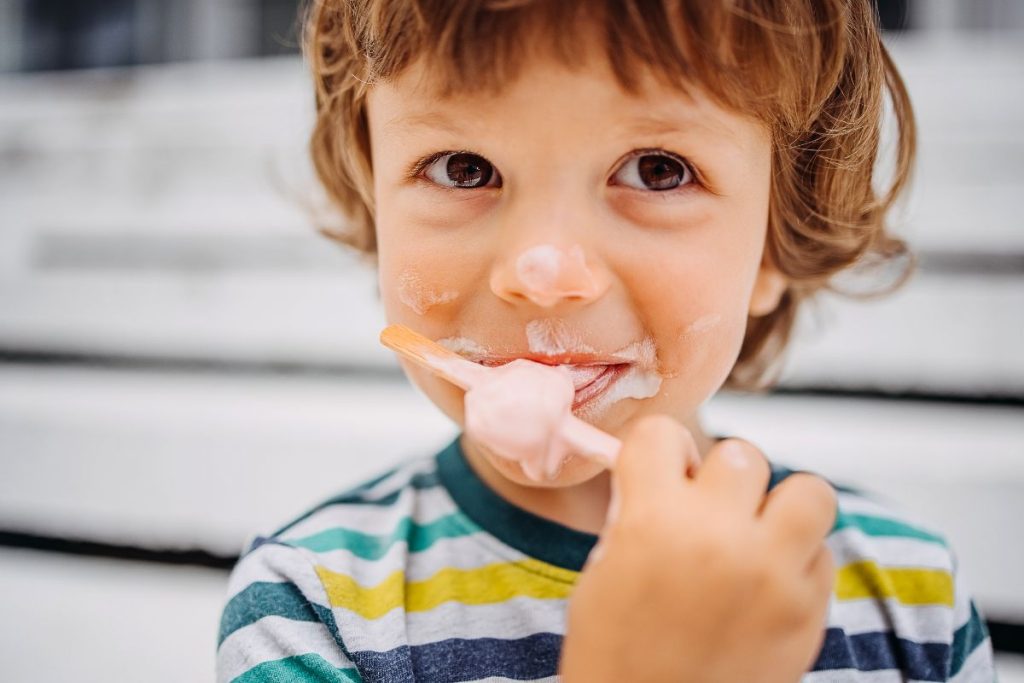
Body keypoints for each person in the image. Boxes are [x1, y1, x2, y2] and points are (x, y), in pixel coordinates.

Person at [216, 1, 996, 680]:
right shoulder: (310, 605)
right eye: (464, 168)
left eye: (657, 170)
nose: (544, 271)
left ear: (773, 240)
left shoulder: (907, 596)